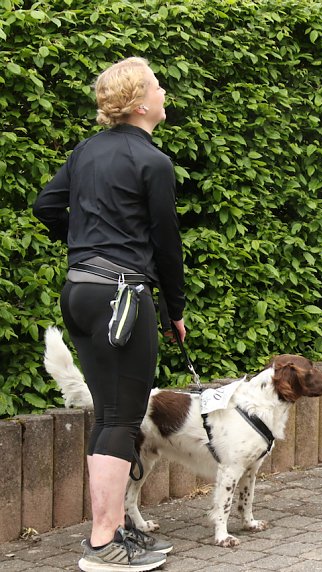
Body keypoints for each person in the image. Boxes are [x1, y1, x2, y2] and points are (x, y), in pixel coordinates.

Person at [33, 57, 186, 571]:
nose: (165, 92)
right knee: (121, 419)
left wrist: (83, 246)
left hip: (80, 292)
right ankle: (102, 544)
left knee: (111, 415)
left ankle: (115, 530)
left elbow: (45, 206)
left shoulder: (85, 152)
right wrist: (175, 310)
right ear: (142, 102)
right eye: (158, 85)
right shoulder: (154, 162)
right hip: (122, 298)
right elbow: (166, 246)